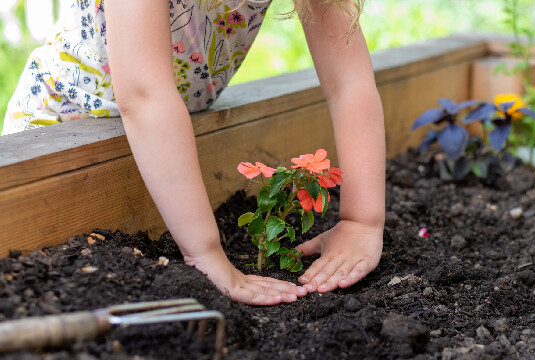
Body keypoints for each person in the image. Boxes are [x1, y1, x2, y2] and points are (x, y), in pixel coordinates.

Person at [3, 0, 385, 306]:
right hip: (62, 134)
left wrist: (362, 221)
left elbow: (349, 83)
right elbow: (145, 96)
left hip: (162, 146)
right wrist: (205, 253)